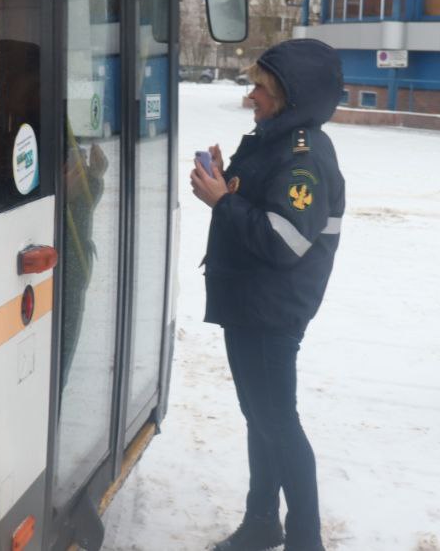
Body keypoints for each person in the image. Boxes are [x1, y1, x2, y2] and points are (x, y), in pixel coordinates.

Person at [190, 38, 345, 551]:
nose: (250, 95)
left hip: (271, 309)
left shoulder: (304, 155)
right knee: (261, 419)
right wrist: (226, 183)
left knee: (278, 423)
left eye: (260, 87)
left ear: (288, 95)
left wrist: (222, 202)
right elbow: (259, 202)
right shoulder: (274, 139)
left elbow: (285, 240)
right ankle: (262, 521)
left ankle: (305, 539)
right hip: (250, 301)